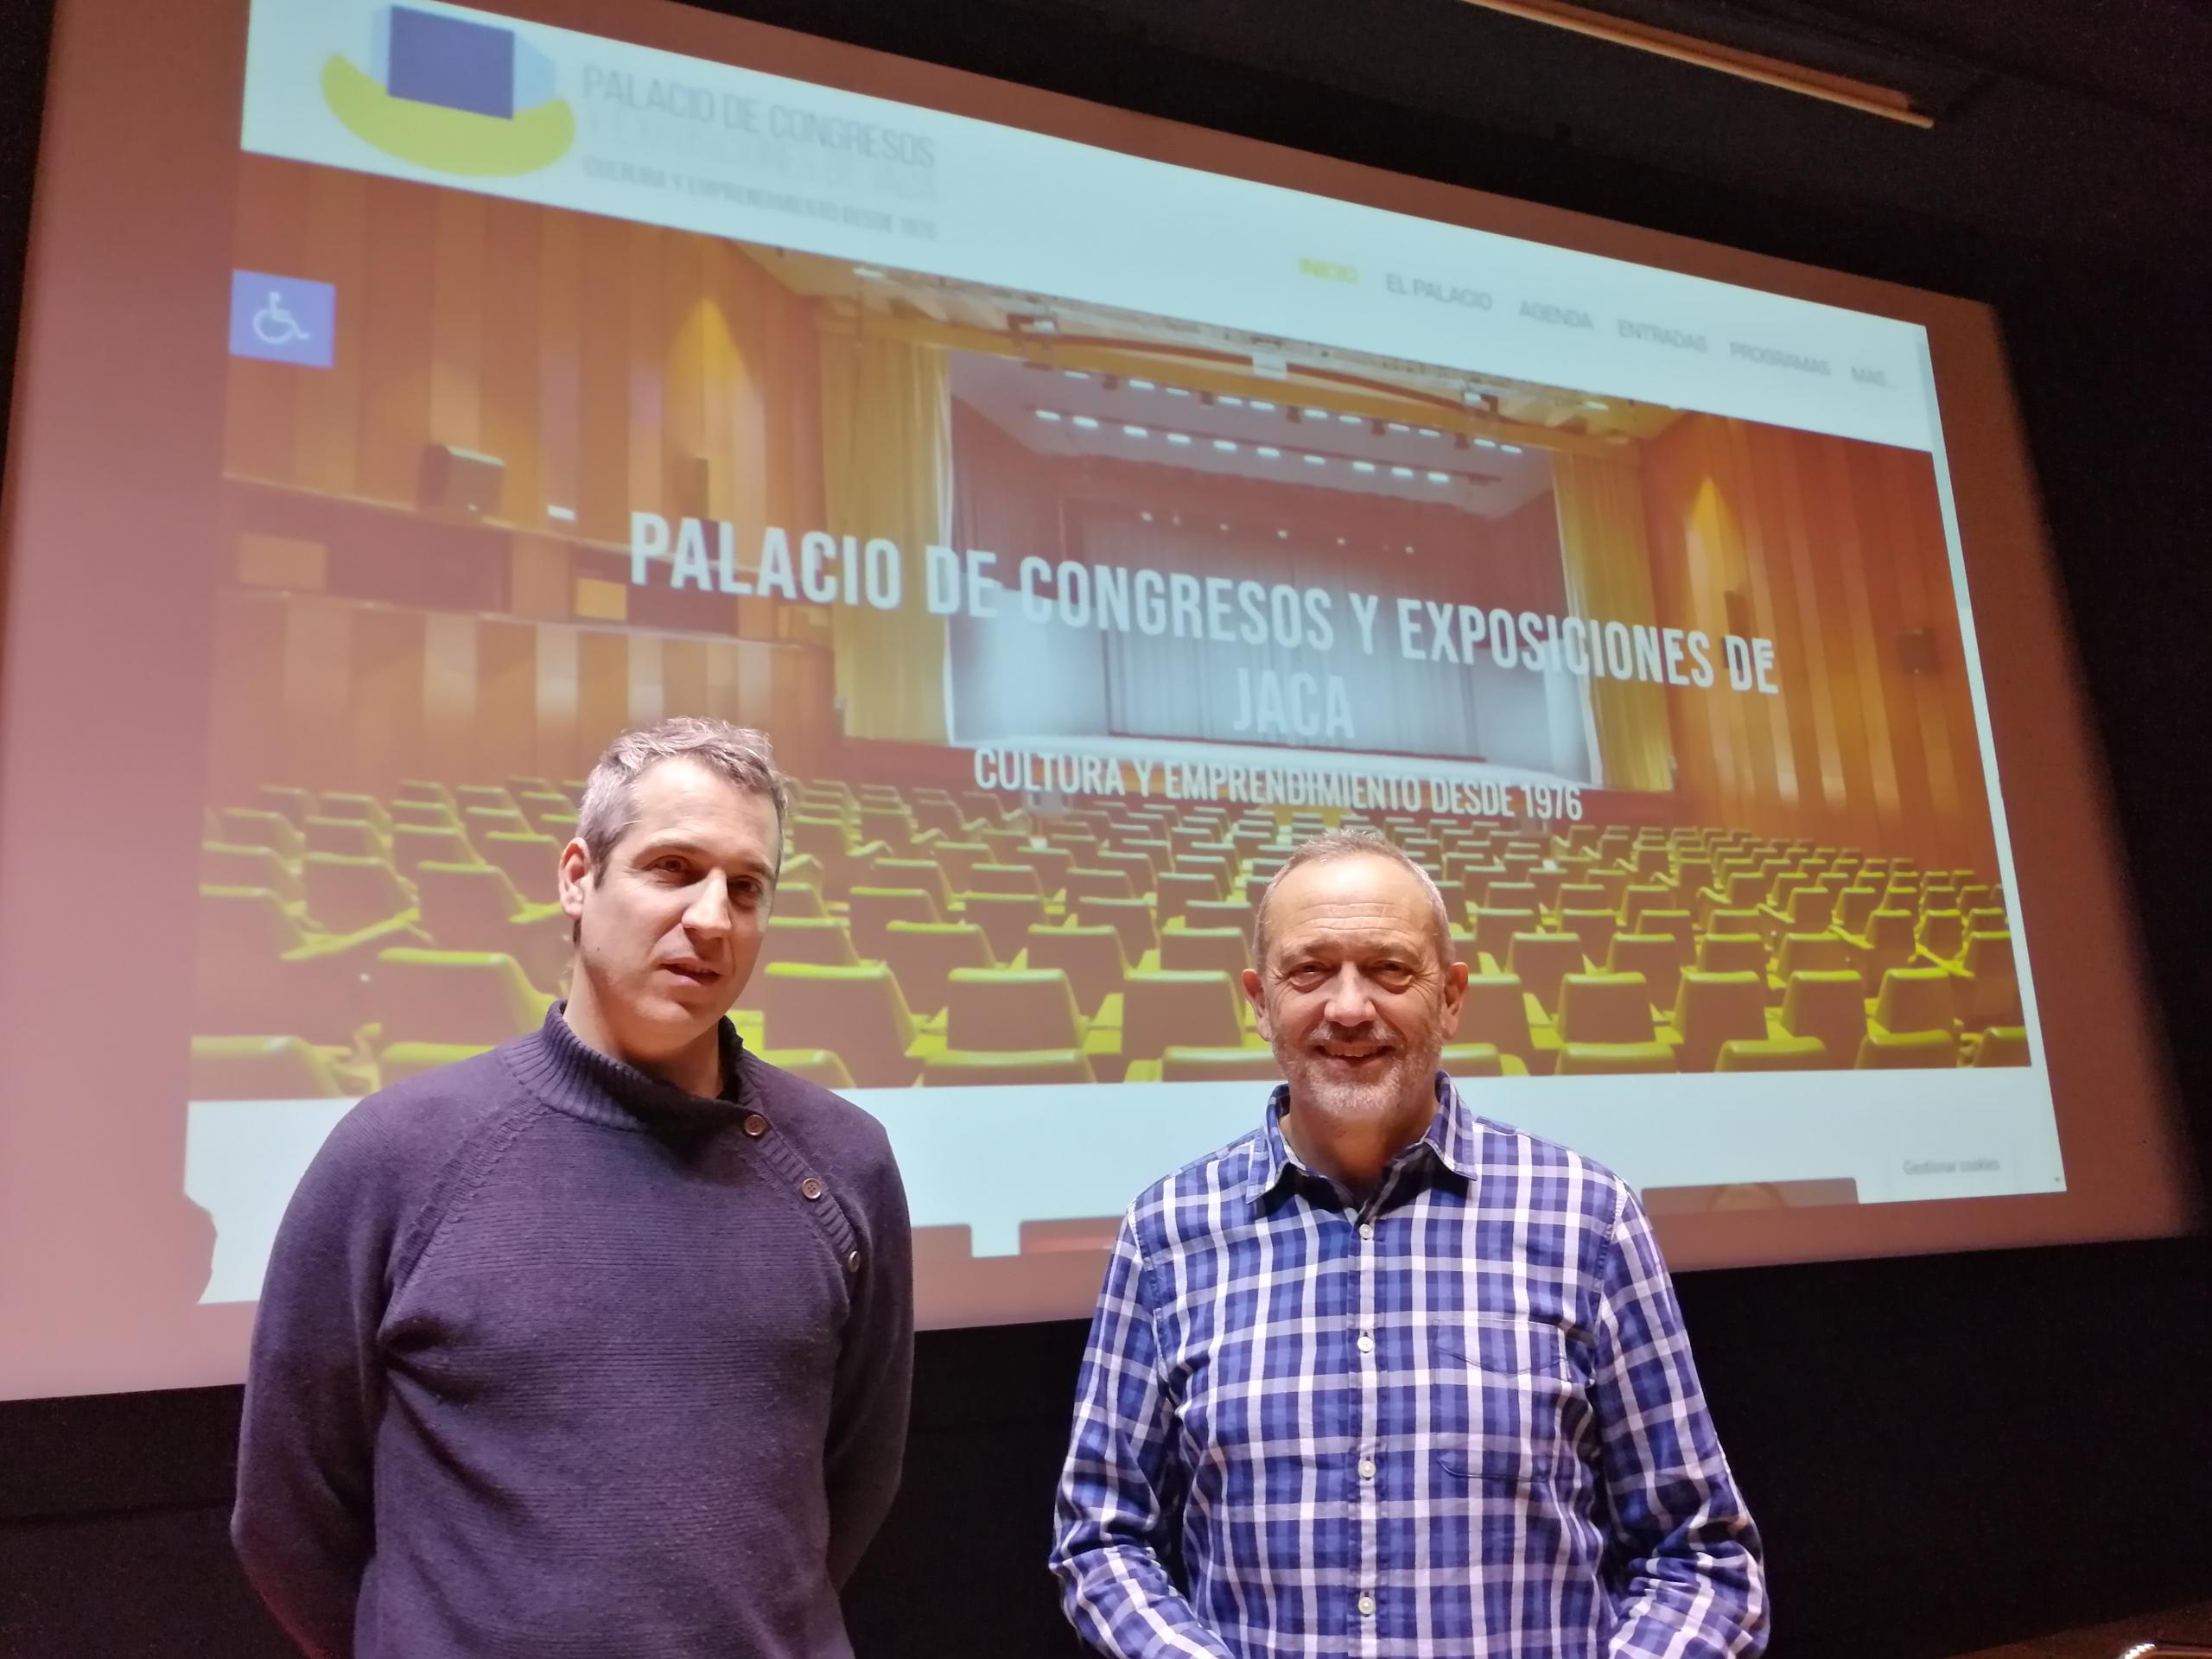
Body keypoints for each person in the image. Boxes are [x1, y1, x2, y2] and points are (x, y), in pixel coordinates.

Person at [234, 718, 912, 1659]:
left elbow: (855, 1480)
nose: (713, 919)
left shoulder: (845, 1161)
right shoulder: (395, 1154)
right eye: (672, 868)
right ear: (576, 879)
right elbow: (288, 1514)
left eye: (746, 887)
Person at [1051, 830, 1766, 1657]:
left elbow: (1702, 1556)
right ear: (1258, 1001)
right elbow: (1102, 1539)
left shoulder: (1588, 1220)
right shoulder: (1166, 1233)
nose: (1349, 1007)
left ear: (1453, 996)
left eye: (1390, 969)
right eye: (1309, 970)